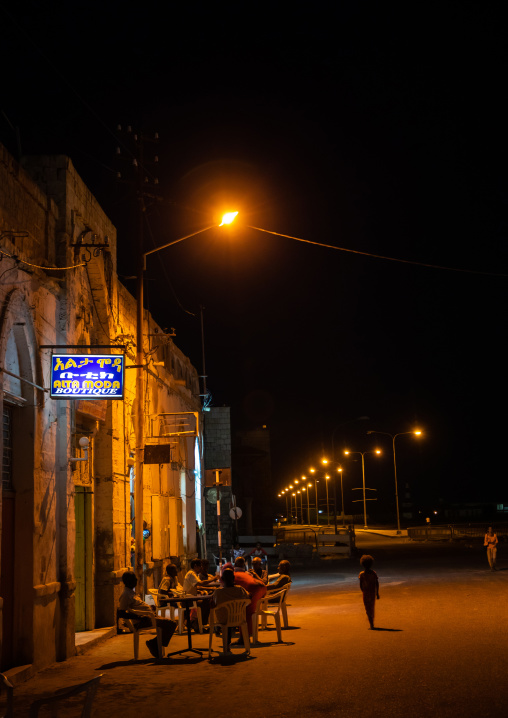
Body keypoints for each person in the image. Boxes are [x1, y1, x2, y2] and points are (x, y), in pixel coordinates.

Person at [118, 571, 177, 657]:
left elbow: (137, 606)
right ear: (128, 581)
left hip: (148, 616)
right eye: (134, 579)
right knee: (171, 624)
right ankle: (154, 643)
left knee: (170, 623)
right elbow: (122, 613)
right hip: (143, 620)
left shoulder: (131, 592)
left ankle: (155, 644)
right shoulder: (125, 595)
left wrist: (149, 607)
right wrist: (140, 617)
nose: (136, 580)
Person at [210, 567, 250, 645]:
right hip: (239, 618)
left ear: (222, 579)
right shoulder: (240, 590)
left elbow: (213, 604)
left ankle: (225, 641)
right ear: (234, 578)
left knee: (223, 615)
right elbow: (248, 597)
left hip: (223, 619)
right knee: (229, 614)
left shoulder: (218, 592)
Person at [232, 556, 267, 642]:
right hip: (261, 587)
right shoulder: (246, 573)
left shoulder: (233, 575)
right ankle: (247, 635)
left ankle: (244, 637)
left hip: (255, 588)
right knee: (249, 610)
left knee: (245, 611)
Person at [183, 559, 216, 629]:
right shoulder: (191, 574)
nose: (201, 568)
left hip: (191, 597)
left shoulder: (194, 574)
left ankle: (200, 623)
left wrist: (210, 589)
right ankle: (200, 623)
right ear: (195, 566)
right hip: (188, 599)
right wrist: (213, 579)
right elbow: (200, 583)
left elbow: (198, 587)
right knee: (206, 602)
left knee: (206, 600)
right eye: (200, 566)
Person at [359, 555, 380, 630]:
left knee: (367, 608)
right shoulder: (373, 573)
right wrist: (377, 593)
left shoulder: (361, 574)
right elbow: (377, 583)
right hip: (372, 593)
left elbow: (361, 585)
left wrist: (363, 591)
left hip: (366, 593)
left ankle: (371, 623)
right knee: (371, 607)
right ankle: (372, 622)